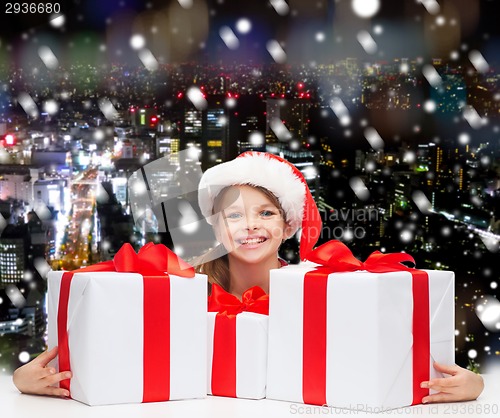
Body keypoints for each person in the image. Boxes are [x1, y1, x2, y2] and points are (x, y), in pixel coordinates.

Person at [13, 151, 483, 403]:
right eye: (233, 216)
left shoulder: (326, 293)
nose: (251, 225)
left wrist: (472, 386)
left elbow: (387, 354)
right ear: (215, 228)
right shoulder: (178, 290)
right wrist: (24, 377)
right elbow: (100, 346)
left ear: (288, 224)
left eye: (265, 213)